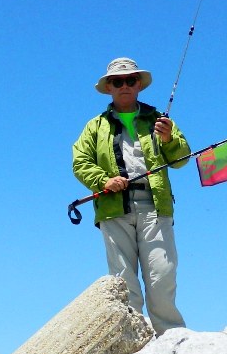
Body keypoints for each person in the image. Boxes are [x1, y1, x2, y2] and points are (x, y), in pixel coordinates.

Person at [72, 57, 191, 334]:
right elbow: (80, 161)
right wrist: (104, 180)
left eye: (130, 80)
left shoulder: (160, 120)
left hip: (156, 206)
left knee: (162, 274)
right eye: (117, 81)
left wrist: (168, 140)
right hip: (113, 209)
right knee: (123, 281)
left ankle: (171, 337)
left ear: (139, 85)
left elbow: (182, 158)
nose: (124, 85)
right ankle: (130, 339)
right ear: (109, 88)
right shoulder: (94, 126)